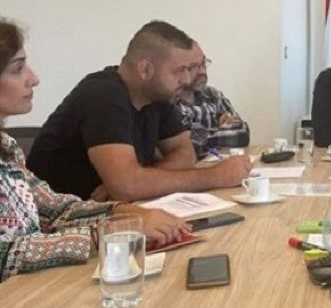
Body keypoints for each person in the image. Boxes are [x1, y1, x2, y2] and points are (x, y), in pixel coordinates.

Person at [0, 18, 189, 282]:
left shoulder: (8, 148)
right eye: (18, 69)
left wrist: (123, 213)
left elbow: (56, 209)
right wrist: (104, 235)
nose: (33, 79)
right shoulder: (103, 93)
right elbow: (5, 253)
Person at [27, 21, 252, 201]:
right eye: (179, 70)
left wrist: (139, 181)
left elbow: (185, 155)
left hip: (114, 214)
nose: (186, 79)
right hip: (61, 226)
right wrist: (215, 176)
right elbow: (128, 187)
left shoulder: (158, 96)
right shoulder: (104, 94)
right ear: (145, 69)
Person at [175, 40, 250, 159]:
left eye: (203, 63)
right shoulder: (170, 104)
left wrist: (205, 135)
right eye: (193, 67)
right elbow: (191, 146)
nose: (202, 71)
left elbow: (242, 133)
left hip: (223, 165)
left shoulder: (212, 95)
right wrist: (224, 130)